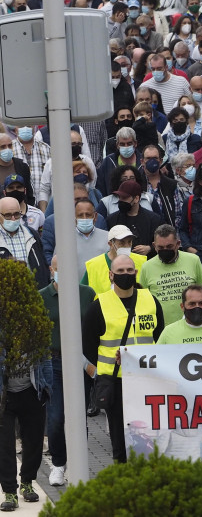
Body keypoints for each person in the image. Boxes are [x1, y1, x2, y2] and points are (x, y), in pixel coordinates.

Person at [82, 255, 165, 463]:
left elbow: (160, 338)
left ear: (136, 273)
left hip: (147, 379)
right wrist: (105, 365)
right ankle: (123, 480)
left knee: (148, 435)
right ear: (111, 275)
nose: (125, 275)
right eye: (120, 271)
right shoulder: (99, 305)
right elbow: (88, 345)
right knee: (119, 439)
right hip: (115, 381)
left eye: (130, 270)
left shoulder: (150, 300)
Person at [40, 257, 96, 488]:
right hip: (53, 363)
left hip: (80, 363)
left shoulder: (87, 294)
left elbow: (93, 327)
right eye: (58, 268)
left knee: (78, 417)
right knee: (55, 419)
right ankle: (59, 464)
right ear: (52, 270)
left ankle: (77, 463)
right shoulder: (42, 296)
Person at [0, 305, 51, 510]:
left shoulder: (35, 332)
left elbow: (45, 359)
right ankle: (10, 492)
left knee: (34, 442)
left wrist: (47, 389)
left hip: (32, 392)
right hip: (5, 397)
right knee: (5, 446)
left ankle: (27, 483)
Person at [138, 224, 202, 326]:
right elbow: (143, 299)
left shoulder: (193, 260)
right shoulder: (146, 267)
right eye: (160, 247)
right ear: (154, 246)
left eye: (169, 246)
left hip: (191, 323)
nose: (165, 250)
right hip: (161, 326)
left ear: (178, 243)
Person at [81, 225, 148, 294]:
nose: (127, 246)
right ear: (110, 244)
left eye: (129, 242)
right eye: (122, 243)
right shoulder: (93, 266)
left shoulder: (142, 262)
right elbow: (82, 293)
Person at [0, 196, 49, 287]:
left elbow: (43, 266)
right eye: (8, 215)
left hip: (35, 294)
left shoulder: (32, 235)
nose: (13, 219)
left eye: (16, 214)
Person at [106, 180, 164, 255]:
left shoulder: (154, 220)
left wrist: (150, 248)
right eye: (120, 197)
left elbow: (163, 243)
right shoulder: (112, 219)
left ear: (136, 198)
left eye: (125, 198)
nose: (121, 201)